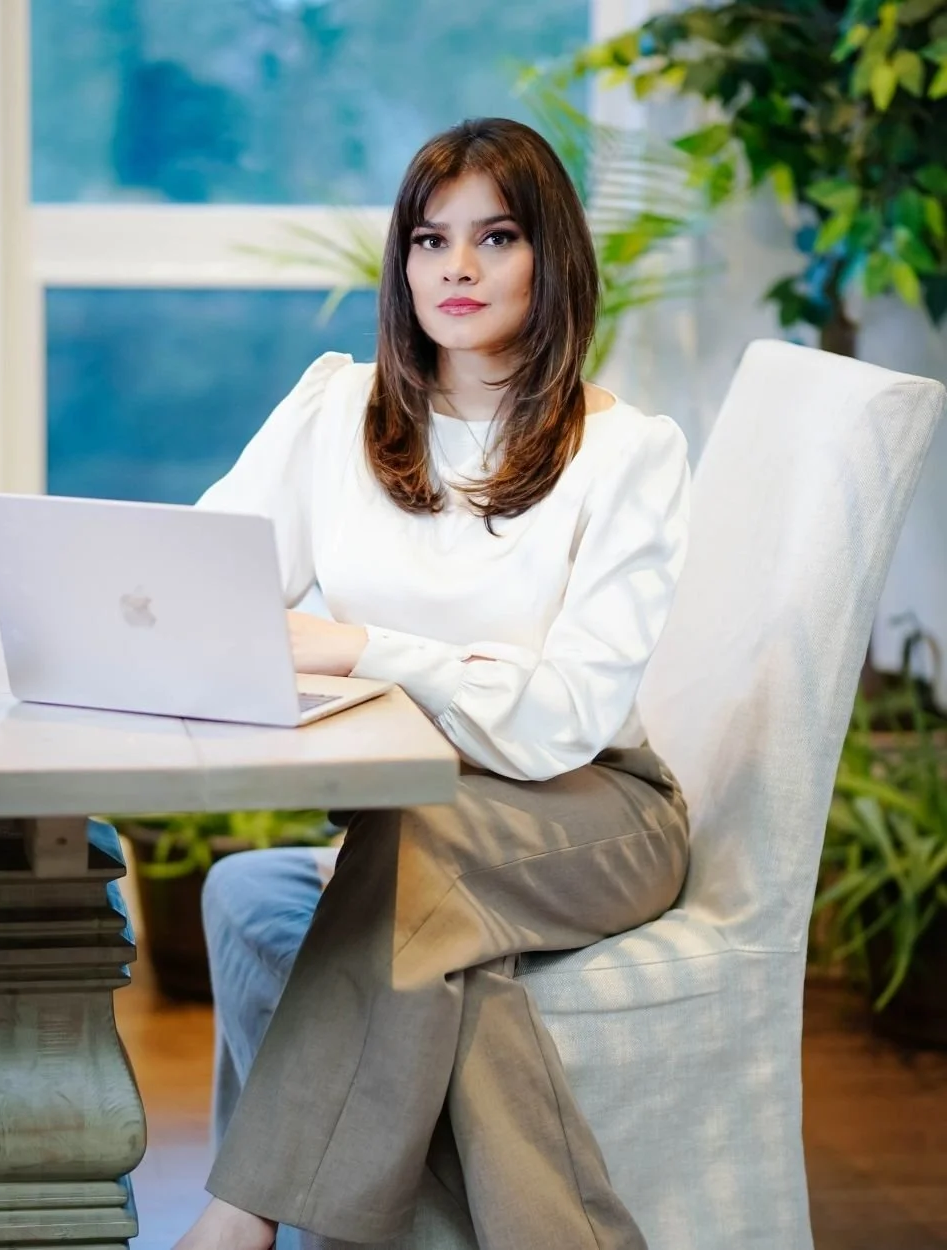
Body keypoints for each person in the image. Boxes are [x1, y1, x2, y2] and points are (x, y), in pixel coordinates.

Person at [176, 116, 691, 1250]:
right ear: (402, 263)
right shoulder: (337, 411)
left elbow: (562, 716)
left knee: (414, 843)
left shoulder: (627, 451)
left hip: (599, 811)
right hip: (415, 815)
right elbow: (203, 582)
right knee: (361, 926)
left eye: (496, 237)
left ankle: (239, 1216)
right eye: (429, 238)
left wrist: (361, 646)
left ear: (551, 258)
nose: (456, 267)